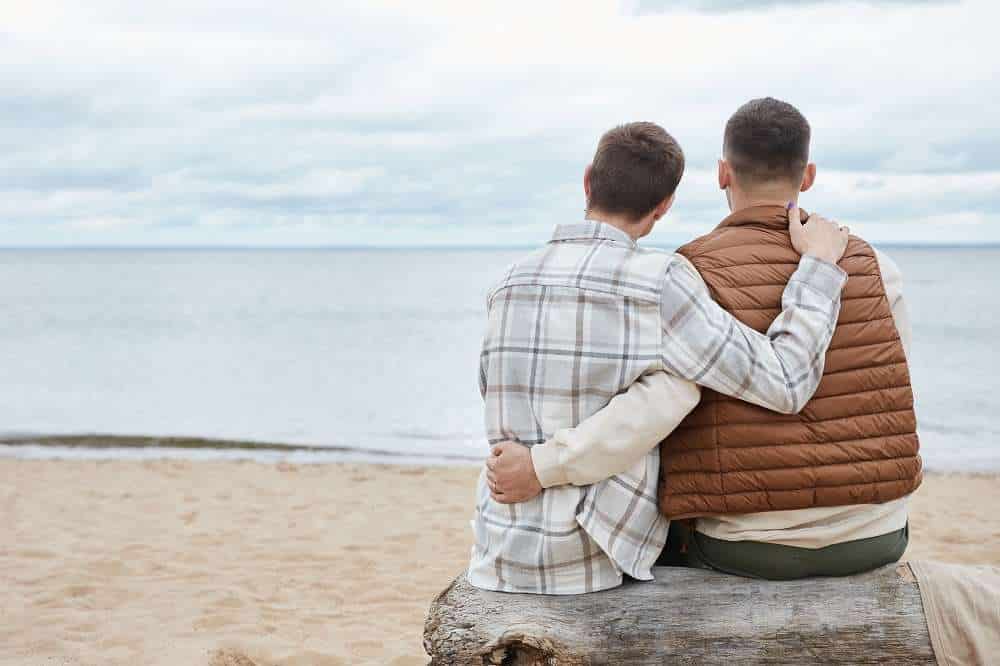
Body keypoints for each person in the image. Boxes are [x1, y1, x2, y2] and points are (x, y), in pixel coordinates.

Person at [486, 99, 920, 582]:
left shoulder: (687, 273)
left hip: (743, 546)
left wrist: (543, 464)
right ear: (809, 174)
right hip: (878, 534)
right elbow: (888, 382)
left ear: (722, 174)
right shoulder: (878, 266)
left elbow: (663, 404)